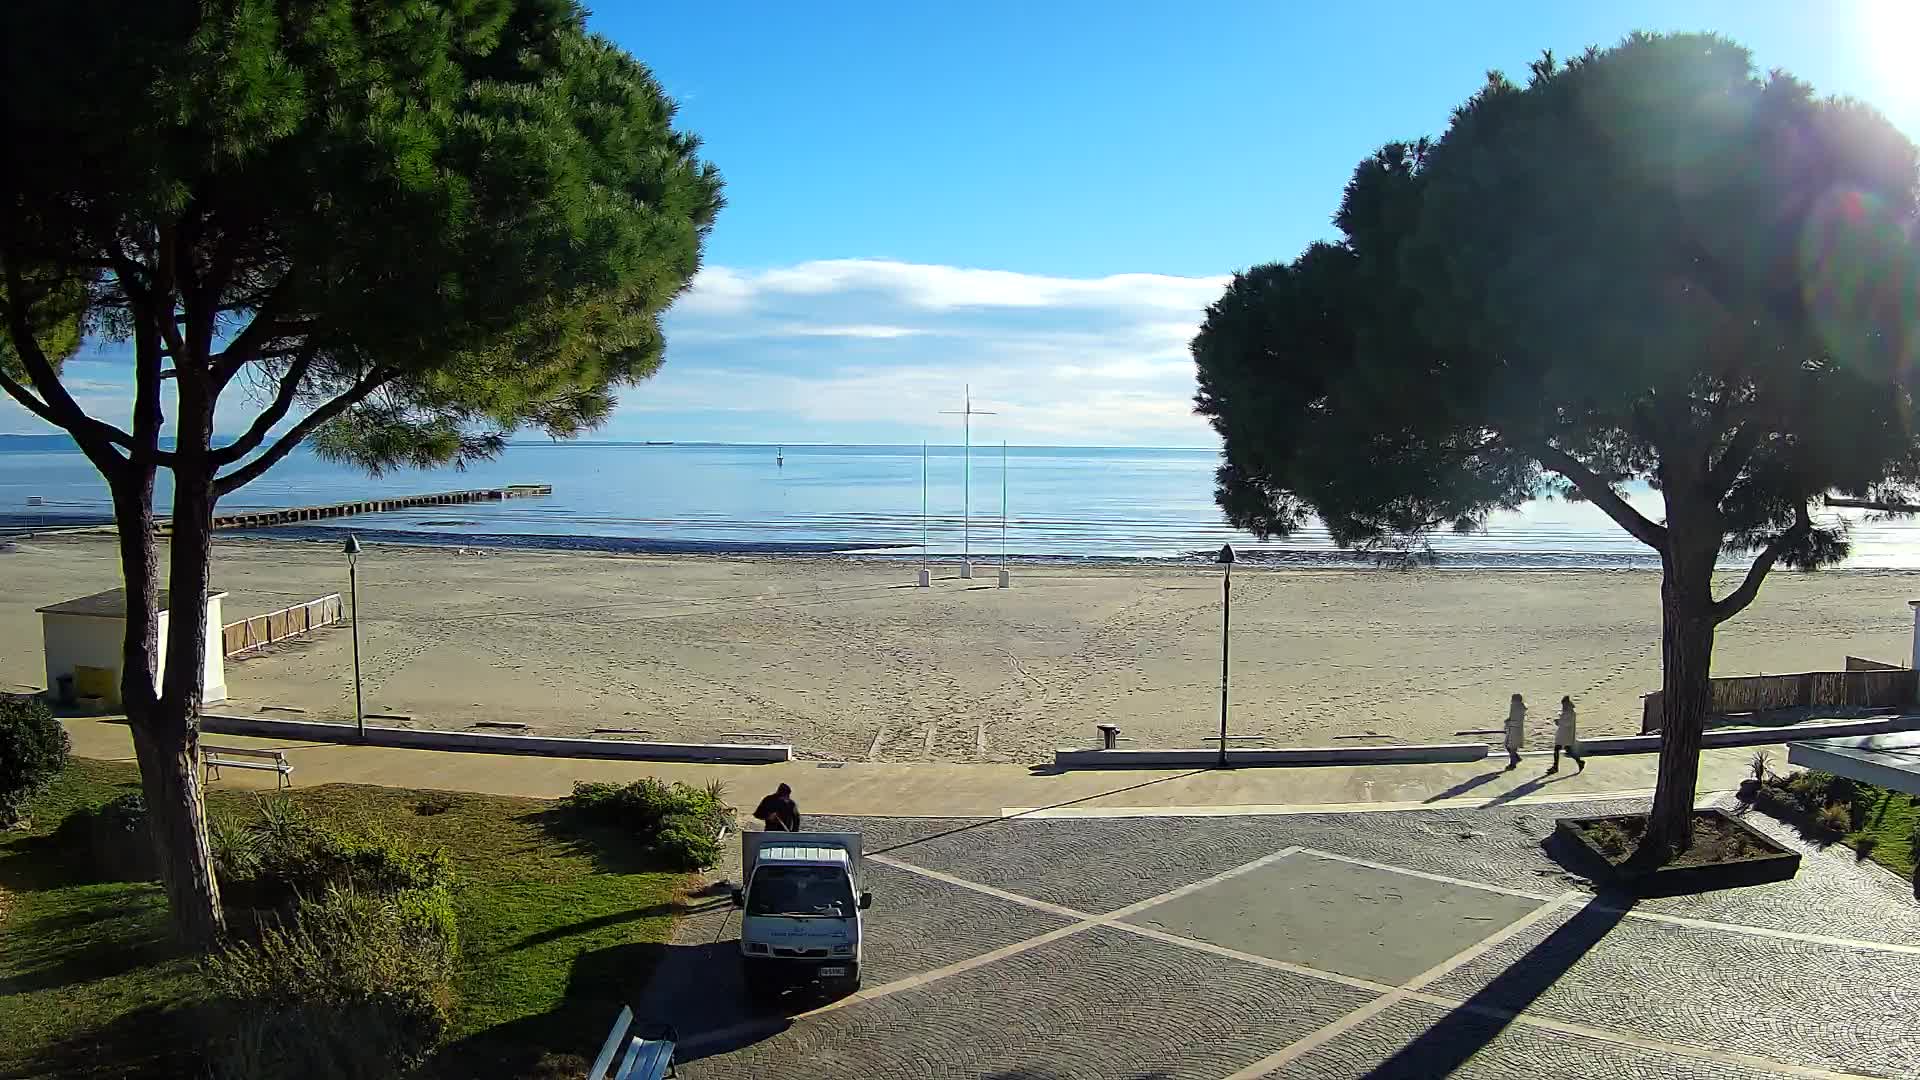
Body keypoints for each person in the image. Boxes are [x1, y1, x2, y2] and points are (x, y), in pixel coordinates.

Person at [1550, 695, 1584, 773]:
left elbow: (1567, 723)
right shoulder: (1568, 711)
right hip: (1564, 733)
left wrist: (1559, 722)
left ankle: (1555, 767)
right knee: (1567, 750)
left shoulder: (1570, 712)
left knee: (1557, 749)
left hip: (1565, 734)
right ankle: (1579, 762)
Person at [1504, 693, 1526, 770]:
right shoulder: (1515, 707)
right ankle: (1516, 758)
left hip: (1515, 730)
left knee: (1512, 747)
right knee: (1508, 745)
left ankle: (1513, 764)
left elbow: (1518, 721)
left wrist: (1508, 723)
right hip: (1512, 729)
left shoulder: (1519, 709)